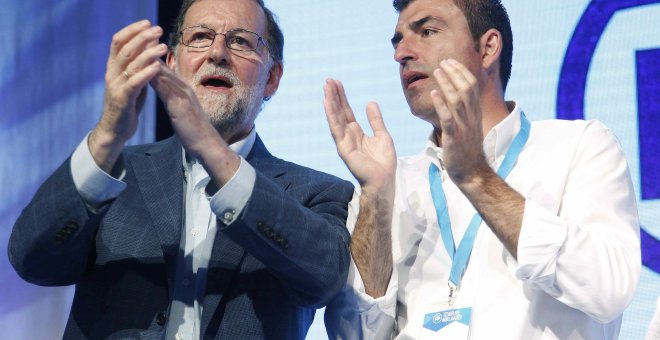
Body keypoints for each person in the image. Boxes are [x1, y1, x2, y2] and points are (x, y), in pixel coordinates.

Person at [8, 0, 354, 339]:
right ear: (171, 64)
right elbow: (33, 261)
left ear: (272, 78)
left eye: (240, 41)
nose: (218, 52)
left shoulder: (317, 192)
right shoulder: (112, 173)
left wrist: (211, 148)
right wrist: (108, 135)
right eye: (201, 36)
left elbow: (323, 279)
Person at [322, 0, 641, 339]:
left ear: (488, 48)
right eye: (398, 40)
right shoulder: (390, 180)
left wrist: (476, 176)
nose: (401, 53)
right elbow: (354, 334)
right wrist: (375, 200)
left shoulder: (577, 146)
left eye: (427, 31)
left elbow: (609, 288)